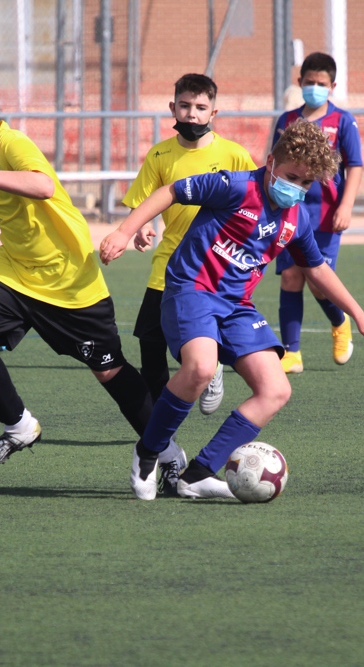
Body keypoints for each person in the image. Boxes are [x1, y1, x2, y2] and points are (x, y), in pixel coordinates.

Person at [0, 77, 182, 477]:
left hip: (67, 275)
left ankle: (168, 454)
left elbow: (42, 185)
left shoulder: (13, 144)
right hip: (16, 269)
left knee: (108, 369)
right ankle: (19, 426)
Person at [99, 121, 364, 500]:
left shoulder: (296, 220)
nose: (296, 188)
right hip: (192, 290)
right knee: (201, 368)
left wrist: (358, 314)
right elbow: (170, 191)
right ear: (271, 162)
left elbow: (317, 269)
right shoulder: (235, 187)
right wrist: (123, 231)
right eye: (291, 177)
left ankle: (198, 474)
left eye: (305, 183)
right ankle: (148, 452)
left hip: (237, 306)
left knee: (276, 390)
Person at [122, 73, 256, 418]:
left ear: (214, 113)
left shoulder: (234, 155)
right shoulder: (160, 154)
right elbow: (143, 202)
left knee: (193, 341)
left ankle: (211, 365)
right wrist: (141, 227)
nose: (192, 114)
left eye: (200, 107)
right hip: (169, 261)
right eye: (184, 106)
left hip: (213, 266)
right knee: (150, 343)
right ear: (173, 108)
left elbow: (254, 200)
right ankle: (157, 422)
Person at [270, 52, 364, 374]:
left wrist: (346, 206)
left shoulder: (343, 121)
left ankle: (340, 322)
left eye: (321, 84)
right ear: (300, 83)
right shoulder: (286, 121)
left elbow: (355, 165)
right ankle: (291, 353)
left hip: (325, 216)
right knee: (291, 277)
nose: (315, 88)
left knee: (317, 282)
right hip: (291, 210)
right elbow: (274, 162)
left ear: (332, 86)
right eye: (309, 82)